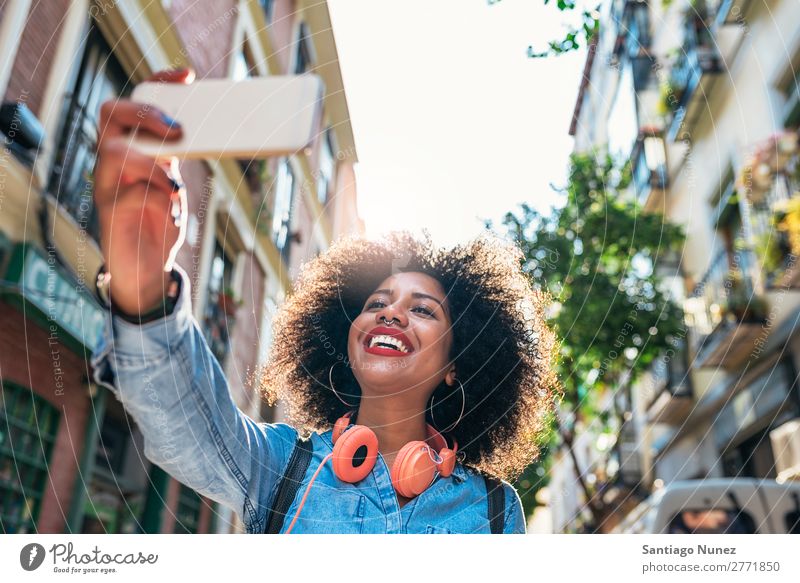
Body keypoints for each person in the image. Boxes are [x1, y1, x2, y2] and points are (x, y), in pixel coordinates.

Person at [89, 68, 560, 534]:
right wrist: (143, 285)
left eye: (421, 309)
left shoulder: (496, 512)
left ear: (455, 364)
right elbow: (185, 426)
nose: (390, 313)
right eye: (376, 303)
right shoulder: (280, 469)